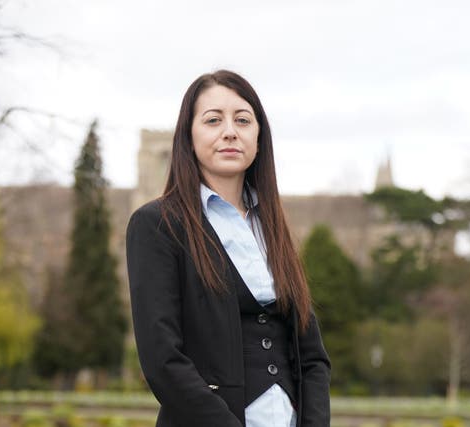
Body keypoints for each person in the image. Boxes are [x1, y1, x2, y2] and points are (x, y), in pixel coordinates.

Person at [126, 69, 331, 427]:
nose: (230, 132)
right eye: (213, 120)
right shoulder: (156, 225)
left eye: (242, 120)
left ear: (258, 136)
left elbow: (312, 358)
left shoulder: (274, 230)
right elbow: (163, 359)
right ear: (188, 136)